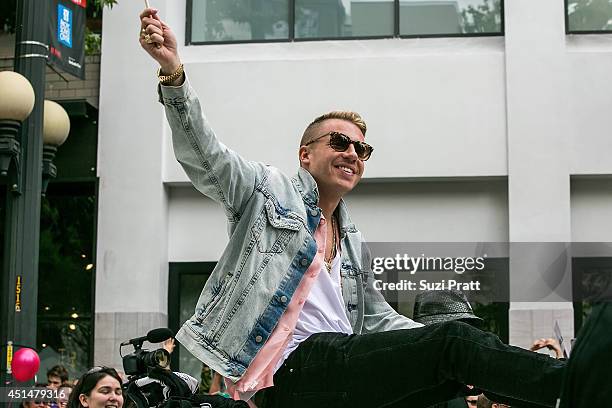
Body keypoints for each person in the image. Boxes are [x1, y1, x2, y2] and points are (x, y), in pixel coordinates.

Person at [138, 8, 565, 408]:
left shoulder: (352, 241)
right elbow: (206, 156)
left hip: (336, 376)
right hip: (290, 369)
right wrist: (173, 73)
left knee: (453, 375)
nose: (352, 153)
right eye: (339, 142)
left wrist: (446, 342)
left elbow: (379, 320)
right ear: (305, 154)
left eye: (362, 148)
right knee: (453, 346)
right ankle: (575, 384)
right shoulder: (267, 191)